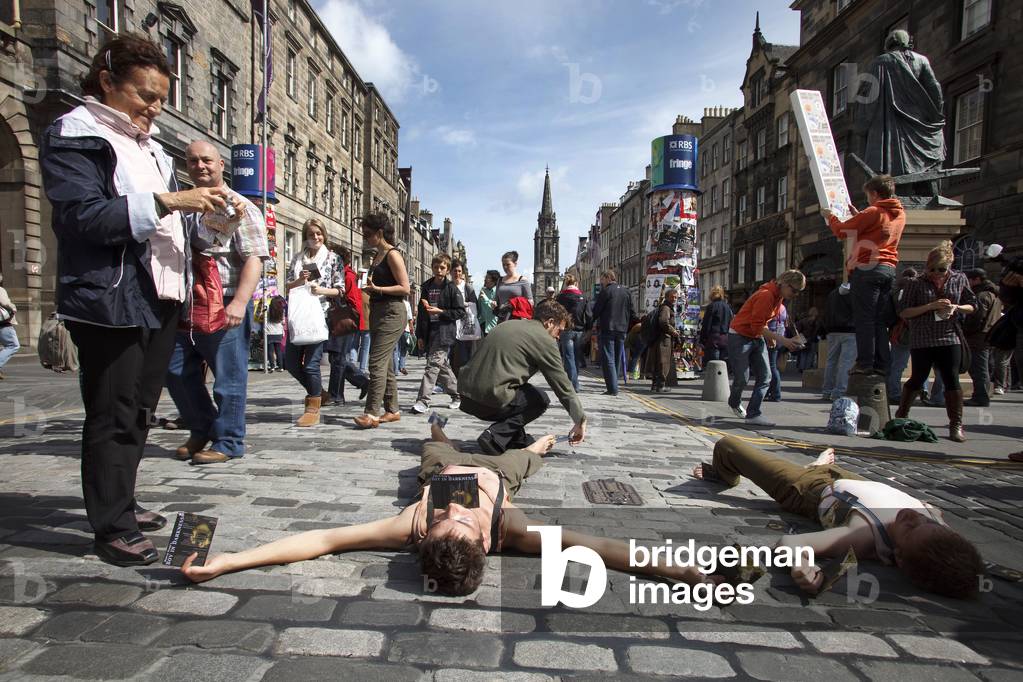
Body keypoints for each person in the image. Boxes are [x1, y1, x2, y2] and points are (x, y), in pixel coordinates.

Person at [40, 34, 243, 566]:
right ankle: (111, 526)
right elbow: (81, 217)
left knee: (141, 410)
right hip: (112, 298)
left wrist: (214, 222)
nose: (155, 107)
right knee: (113, 410)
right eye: (145, 95)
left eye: (161, 98)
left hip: (162, 294)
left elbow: (173, 228)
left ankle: (123, 500)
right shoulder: (76, 133)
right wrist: (170, 199)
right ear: (107, 82)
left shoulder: (151, 147)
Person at [182, 422, 713, 594]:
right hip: (498, 475)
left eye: (444, 522)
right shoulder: (511, 529)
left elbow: (322, 541)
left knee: (433, 447)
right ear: (484, 541)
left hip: (445, 468)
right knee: (526, 458)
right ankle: (540, 444)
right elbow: (598, 547)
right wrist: (676, 569)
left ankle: (438, 431)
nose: (452, 513)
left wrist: (229, 560)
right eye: (457, 521)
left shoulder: (413, 524)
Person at [693, 436, 982, 600]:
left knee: (728, 446)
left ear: (899, 557)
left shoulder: (863, 534)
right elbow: (961, 563)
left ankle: (723, 475)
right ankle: (818, 463)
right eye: (925, 521)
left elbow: (790, 544)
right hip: (854, 481)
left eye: (909, 529)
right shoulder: (940, 531)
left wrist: (801, 564)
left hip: (808, 487)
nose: (912, 516)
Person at [165, 141, 269, 465]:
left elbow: (255, 258)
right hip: (187, 299)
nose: (200, 166)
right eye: (193, 160)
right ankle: (203, 427)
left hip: (225, 299)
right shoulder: (185, 204)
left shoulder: (240, 206)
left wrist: (239, 302)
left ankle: (229, 441)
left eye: (207, 160)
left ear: (221, 164)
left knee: (228, 377)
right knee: (174, 370)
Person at [459, 299, 586, 454]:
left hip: (466, 396)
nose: (559, 337)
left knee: (520, 392)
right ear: (550, 323)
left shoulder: (508, 324)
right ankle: (495, 436)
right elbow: (562, 386)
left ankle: (517, 440)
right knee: (539, 399)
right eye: (559, 331)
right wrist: (579, 419)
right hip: (489, 400)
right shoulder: (544, 340)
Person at [823, 174, 905, 376]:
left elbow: (842, 231)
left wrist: (830, 217)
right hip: (888, 269)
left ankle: (865, 363)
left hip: (867, 269)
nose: (868, 199)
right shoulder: (900, 214)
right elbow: (880, 229)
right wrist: (859, 215)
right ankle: (882, 364)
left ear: (875, 193)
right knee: (879, 320)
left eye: (868, 195)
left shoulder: (873, 211)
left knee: (864, 319)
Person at [895, 241, 976, 442]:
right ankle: (901, 415)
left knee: (951, 378)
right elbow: (904, 311)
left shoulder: (959, 279)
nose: (937, 274)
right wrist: (930, 306)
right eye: (932, 269)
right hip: (922, 336)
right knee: (918, 377)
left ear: (950, 266)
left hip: (949, 335)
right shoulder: (916, 283)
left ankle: (955, 425)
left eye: (942, 269)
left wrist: (956, 307)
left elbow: (972, 305)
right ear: (927, 266)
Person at [284, 218, 344, 427]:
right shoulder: (297, 259)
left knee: (311, 365)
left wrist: (321, 290)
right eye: (311, 234)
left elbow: (340, 290)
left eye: (319, 234)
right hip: (298, 315)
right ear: (305, 237)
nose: (316, 237)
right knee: (291, 363)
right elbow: (287, 286)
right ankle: (321, 393)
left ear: (324, 235)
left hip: (320, 314)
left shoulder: (333, 258)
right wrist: (299, 280)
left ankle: (313, 406)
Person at [727, 270, 806, 427]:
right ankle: (734, 402)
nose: (796, 295)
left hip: (756, 336)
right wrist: (783, 340)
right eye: (794, 290)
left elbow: (761, 323)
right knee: (742, 377)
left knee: (766, 376)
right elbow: (756, 325)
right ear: (785, 283)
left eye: (799, 292)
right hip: (740, 336)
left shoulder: (778, 296)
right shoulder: (766, 295)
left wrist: (770, 337)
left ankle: (753, 414)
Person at [354, 213, 411, 429]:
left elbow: (405, 288)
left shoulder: (392, 254)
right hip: (378, 311)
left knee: (376, 362)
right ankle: (392, 410)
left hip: (392, 312)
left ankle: (371, 413)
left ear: (379, 233)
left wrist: (377, 288)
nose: (365, 238)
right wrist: (370, 287)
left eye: (368, 234)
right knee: (385, 364)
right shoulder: (377, 255)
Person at [411, 253, 465, 415]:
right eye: (436, 267)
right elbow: (422, 314)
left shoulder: (451, 288)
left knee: (433, 365)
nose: (439, 270)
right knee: (442, 367)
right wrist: (420, 336)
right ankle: (458, 395)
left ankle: (423, 401)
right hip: (430, 332)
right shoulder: (426, 287)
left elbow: (460, 312)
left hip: (445, 332)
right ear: (432, 268)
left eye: (442, 267)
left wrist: (441, 312)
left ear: (447, 270)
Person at [961, 268, 1002, 407]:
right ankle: (982, 395)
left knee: (979, 368)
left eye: (969, 280)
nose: (967, 283)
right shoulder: (994, 295)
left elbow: (977, 318)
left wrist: (966, 330)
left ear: (977, 279)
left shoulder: (982, 295)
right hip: (987, 335)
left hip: (978, 338)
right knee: (983, 367)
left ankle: (981, 397)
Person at [887, 268, 928, 405]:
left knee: (897, 365)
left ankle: (894, 393)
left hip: (900, 332)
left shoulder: (896, 292)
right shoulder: (919, 290)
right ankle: (923, 389)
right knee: (922, 364)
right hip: (918, 331)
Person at [592, 269, 635, 396]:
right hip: (622, 329)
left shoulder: (606, 291)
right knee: (617, 358)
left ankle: (612, 388)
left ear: (608, 278)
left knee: (608, 358)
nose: (601, 282)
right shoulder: (626, 291)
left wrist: (590, 323)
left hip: (608, 328)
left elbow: (596, 310)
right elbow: (632, 311)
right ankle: (614, 385)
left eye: (602, 279)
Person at [820, 283, 858, 402]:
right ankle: (840, 391)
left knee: (831, 361)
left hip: (832, 331)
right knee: (846, 362)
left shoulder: (833, 294)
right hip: (850, 330)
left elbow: (826, 311)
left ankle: (827, 391)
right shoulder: (856, 293)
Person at [555, 273, 589, 391]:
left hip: (566, 330)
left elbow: (556, 313)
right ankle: (574, 382)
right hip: (579, 330)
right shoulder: (583, 297)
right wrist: (588, 329)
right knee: (576, 357)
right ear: (576, 283)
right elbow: (588, 315)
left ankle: (573, 384)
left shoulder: (560, 297)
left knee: (568, 357)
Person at [645, 288, 680, 393]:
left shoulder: (664, 307)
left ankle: (655, 385)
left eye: (676, 297)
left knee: (658, 362)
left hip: (659, 339)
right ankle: (660, 385)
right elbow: (663, 322)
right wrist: (673, 331)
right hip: (664, 339)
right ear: (667, 297)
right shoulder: (666, 308)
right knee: (663, 363)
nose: (674, 299)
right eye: (672, 297)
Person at [449, 259, 477, 379]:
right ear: (451, 272)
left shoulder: (467, 287)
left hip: (464, 325)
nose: (457, 273)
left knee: (465, 354)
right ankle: (454, 379)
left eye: (459, 271)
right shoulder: (447, 286)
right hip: (450, 324)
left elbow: (475, 305)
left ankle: (466, 378)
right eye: (455, 271)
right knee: (452, 354)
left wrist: (462, 304)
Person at [495, 250, 534, 321]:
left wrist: (514, 303)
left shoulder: (523, 281)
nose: (505, 267)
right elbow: (496, 299)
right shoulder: (500, 280)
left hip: (517, 319)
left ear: (515, 264)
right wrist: (493, 303)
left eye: (508, 264)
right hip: (502, 318)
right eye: (503, 265)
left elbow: (530, 303)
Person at [698, 285, 733, 365]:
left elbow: (706, 324)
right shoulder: (727, 307)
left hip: (714, 338)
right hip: (725, 337)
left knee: (714, 363)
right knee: (723, 363)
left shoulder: (711, 306)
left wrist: (702, 340)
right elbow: (731, 322)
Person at [765, 304, 788, 403]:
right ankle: (768, 391)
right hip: (780, 338)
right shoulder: (783, 307)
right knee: (771, 366)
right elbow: (785, 322)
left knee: (771, 366)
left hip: (771, 338)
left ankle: (776, 394)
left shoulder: (774, 306)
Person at [0, 272, 18, 379]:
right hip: (3, 323)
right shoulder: (0, 290)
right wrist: (13, 308)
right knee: (13, 345)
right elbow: (5, 302)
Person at [392, 297, 414, 376]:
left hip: (395, 329)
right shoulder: (407, 303)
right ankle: (402, 366)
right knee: (404, 349)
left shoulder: (393, 303)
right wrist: (411, 328)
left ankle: (395, 370)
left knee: (395, 350)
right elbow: (410, 318)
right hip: (405, 329)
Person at [264, 296, 285, 371]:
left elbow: (263, 316)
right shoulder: (281, 311)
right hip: (278, 332)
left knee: (270, 350)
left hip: (269, 332)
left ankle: (272, 366)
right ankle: (281, 367)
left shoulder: (268, 310)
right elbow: (283, 322)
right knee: (278, 350)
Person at [477, 270, 500, 337]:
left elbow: (495, 307)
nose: (485, 279)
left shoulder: (498, 292)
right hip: (482, 324)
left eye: (487, 277)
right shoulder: (483, 290)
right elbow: (479, 306)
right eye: (485, 277)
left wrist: (486, 298)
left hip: (494, 325)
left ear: (494, 280)